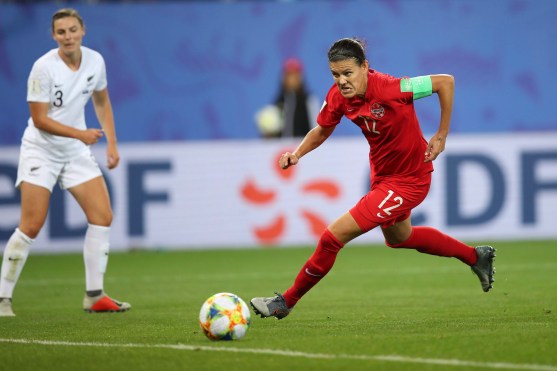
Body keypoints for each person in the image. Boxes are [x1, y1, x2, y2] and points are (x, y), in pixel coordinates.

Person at [251, 38, 496, 319]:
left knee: (332, 238)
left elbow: (446, 82)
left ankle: (286, 301)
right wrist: (297, 153)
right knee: (400, 238)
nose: (341, 80)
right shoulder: (337, 96)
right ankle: (476, 257)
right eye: (335, 74)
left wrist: (441, 134)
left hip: (410, 180)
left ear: (365, 67)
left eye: (347, 73)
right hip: (383, 177)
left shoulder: (394, 88)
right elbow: (321, 129)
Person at [0, 8, 130, 316]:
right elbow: (39, 119)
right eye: (61, 32)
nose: (68, 36)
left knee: (102, 216)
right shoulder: (43, 68)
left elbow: (101, 99)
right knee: (31, 225)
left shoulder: (95, 61)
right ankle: (2, 298)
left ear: (83, 31)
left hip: (74, 151)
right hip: (40, 150)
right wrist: (80, 133)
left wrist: (111, 142)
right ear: (53, 35)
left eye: (73, 30)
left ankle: (95, 295)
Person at [255, 58, 319, 138]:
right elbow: (274, 130)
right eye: (288, 75)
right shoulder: (279, 101)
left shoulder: (309, 100)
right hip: (282, 148)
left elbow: (316, 129)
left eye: (294, 75)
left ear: (300, 77)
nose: (291, 79)